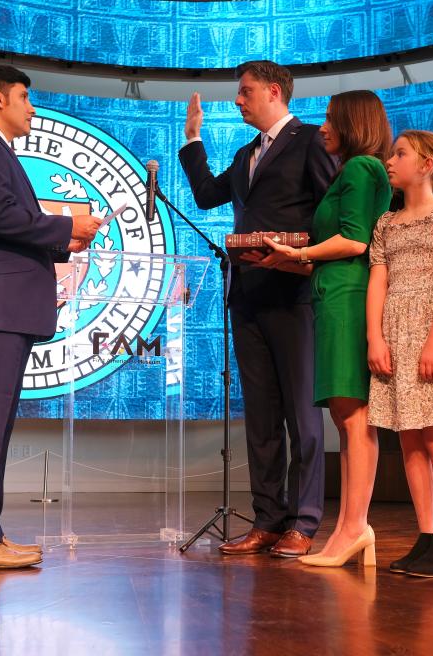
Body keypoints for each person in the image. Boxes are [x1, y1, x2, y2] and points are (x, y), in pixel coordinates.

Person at [0, 64, 101, 569]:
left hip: (5, 311)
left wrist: (63, 239)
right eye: (26, 97)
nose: (32, 107)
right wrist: (67, 223)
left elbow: (9, 224)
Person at [179, 61, 337, 557]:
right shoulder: (247, 153)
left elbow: (332, 208)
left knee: (303, 418)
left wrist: (306, 254)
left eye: (246, 92)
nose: (238, 100)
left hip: (294, 295)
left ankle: (305, 522)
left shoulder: (312, 140)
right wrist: (192, 140)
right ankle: (269, 518)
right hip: (246, 296)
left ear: (274, 91)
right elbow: (207, 197)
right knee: (262, 419)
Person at [257, 90, 391, 567]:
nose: (323, 129)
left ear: (352, 124)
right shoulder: (353, 170)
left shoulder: (359, 168)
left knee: (353, 420)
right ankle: (351, 528)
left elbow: (355, 241)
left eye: (331, 120)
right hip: (332, 293)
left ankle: (353, 527)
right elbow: (334, 255)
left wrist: (302, 253)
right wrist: (286, 260)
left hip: (347, 301)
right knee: (345, 419)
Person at [367, 130, 433, 578]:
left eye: (401, 153)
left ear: (426, 164)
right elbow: (378, 283)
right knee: (408, 436)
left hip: (430, 324)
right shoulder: (386, 223)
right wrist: (375, 337)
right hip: (395, 331)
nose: (391, 160)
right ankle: (426, 535)